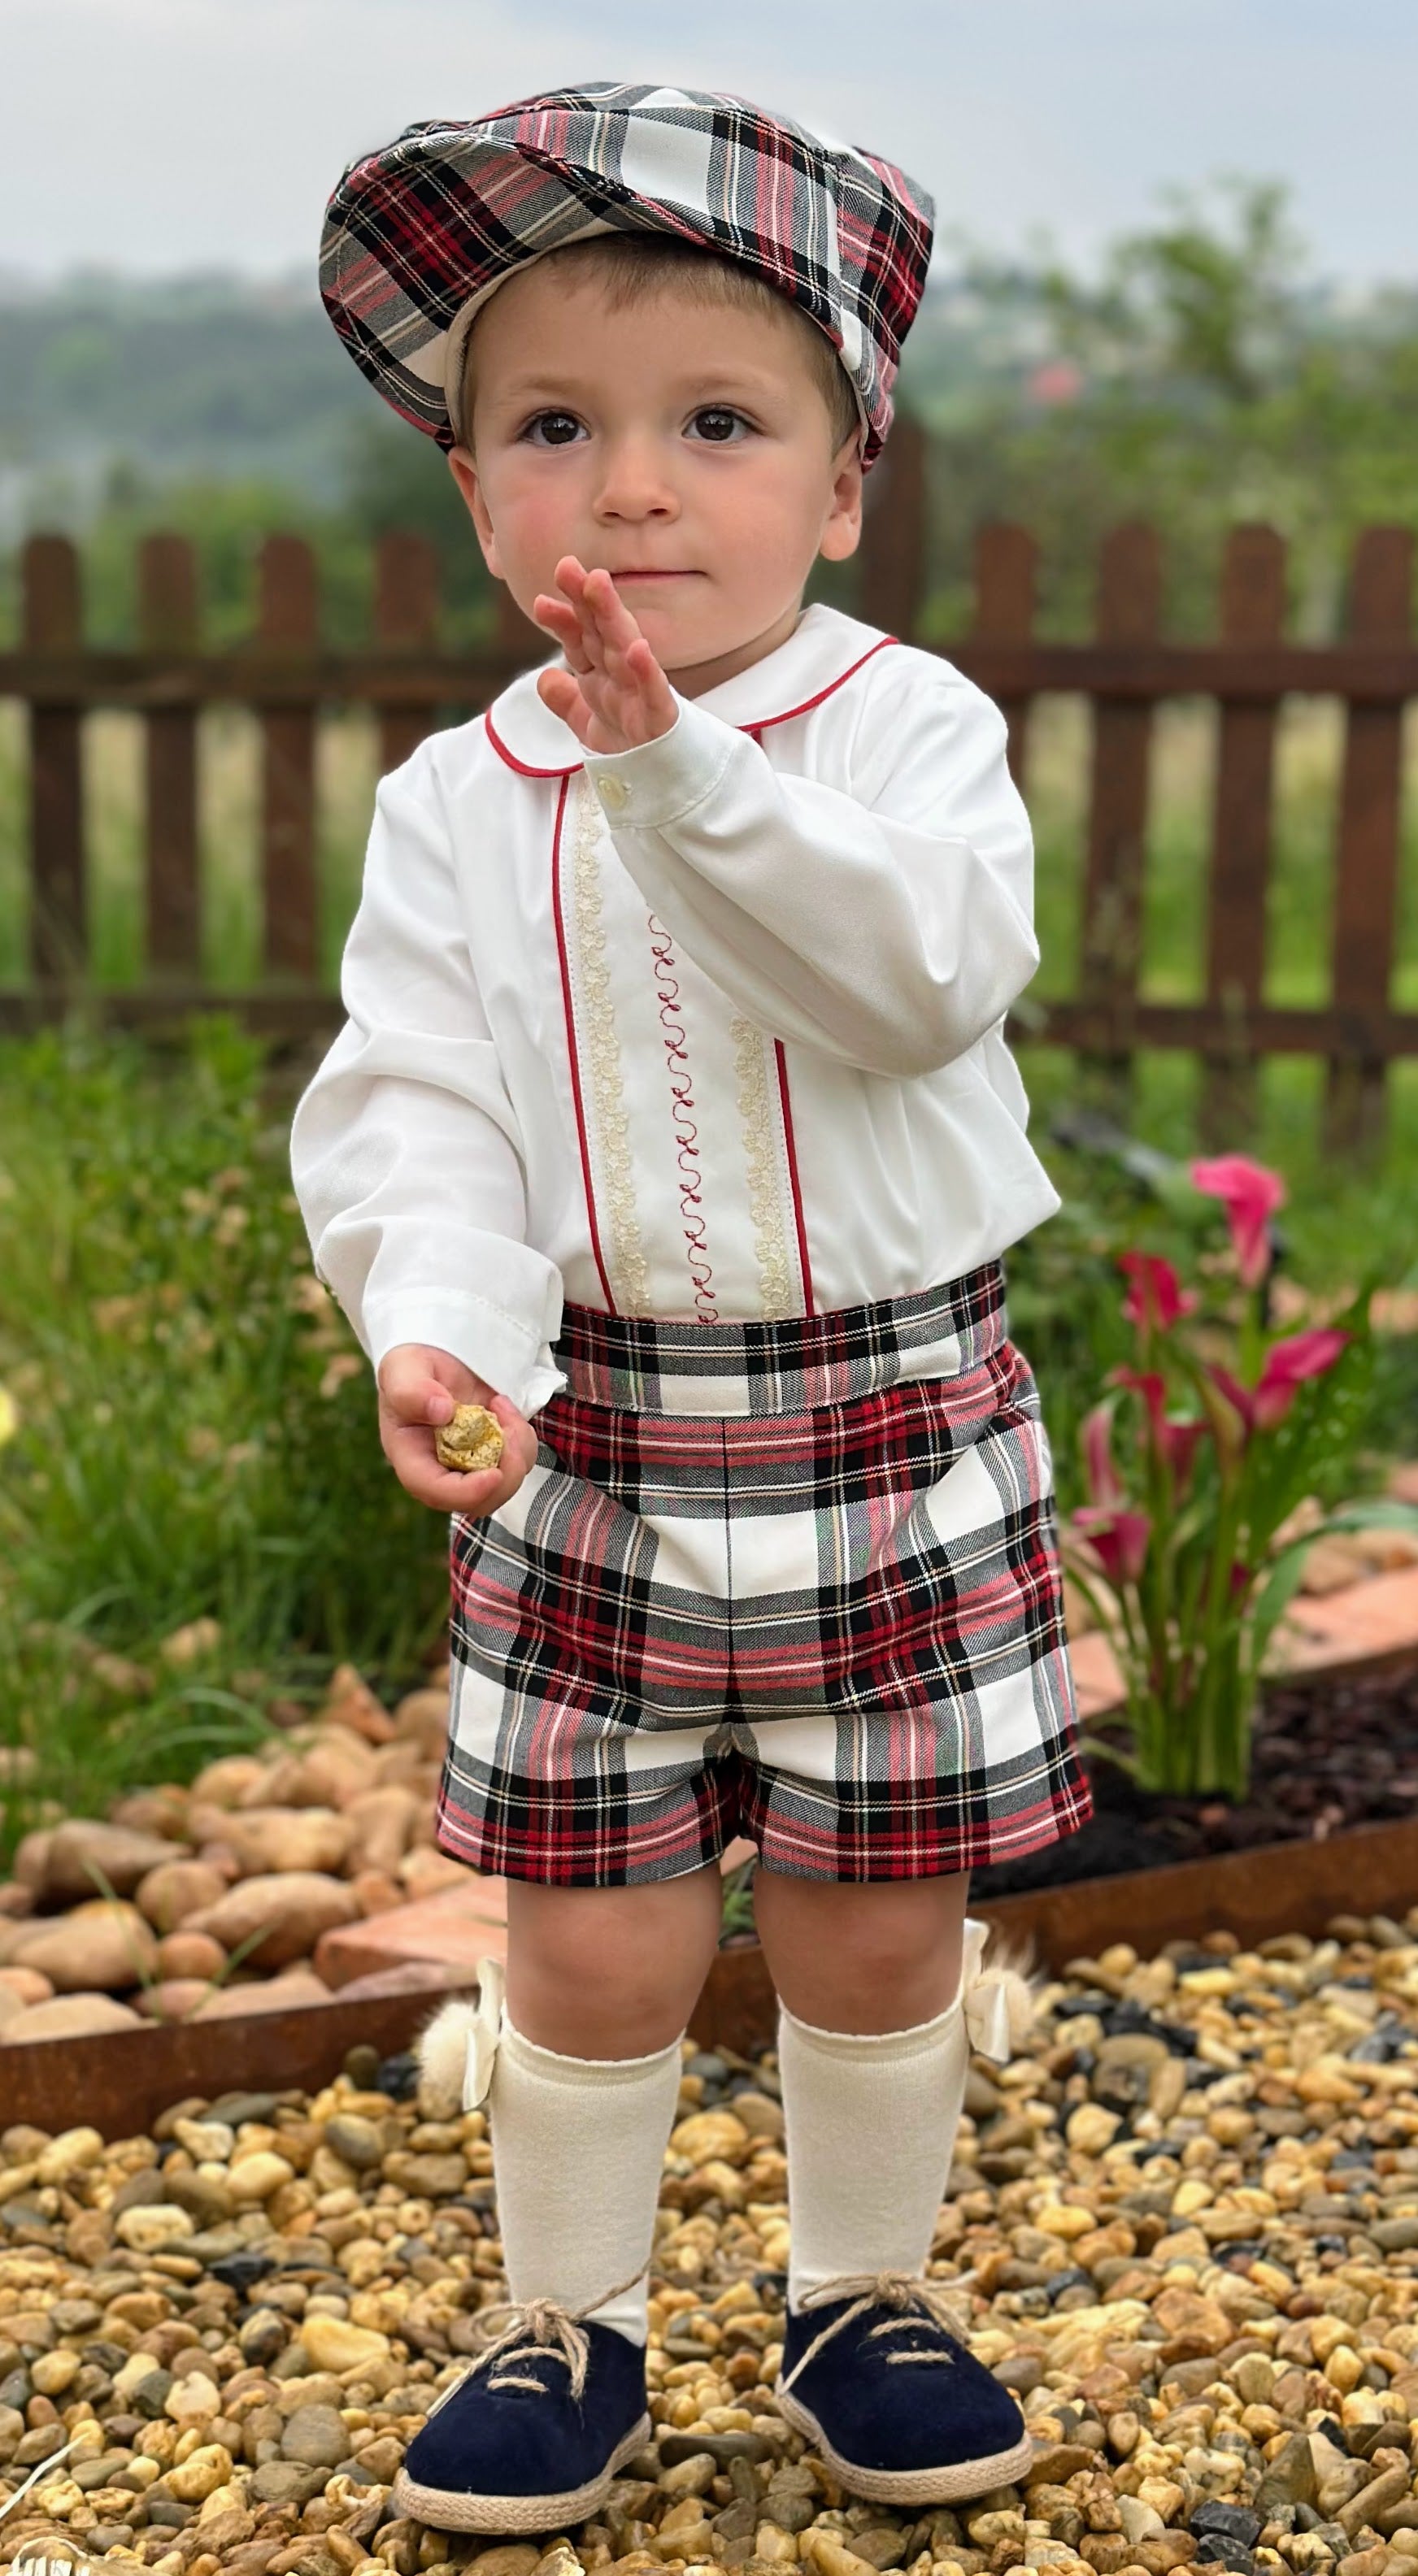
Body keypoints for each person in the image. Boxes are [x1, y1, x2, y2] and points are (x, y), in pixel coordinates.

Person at [294, 80, 1091, 2539]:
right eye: (555, 428)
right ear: (474, 495)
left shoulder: (908, 733)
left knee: (878, 1910)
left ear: (846, 483)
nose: (632, 488)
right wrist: (437, 1321)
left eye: (717, 426)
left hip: (886, 1411)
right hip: (594, 1425)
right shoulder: (455, 801)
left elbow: (916, 982)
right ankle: (576, 2320)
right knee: (595, 1931)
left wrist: (677, 774)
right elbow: (417, 1096)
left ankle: (862, 2292)